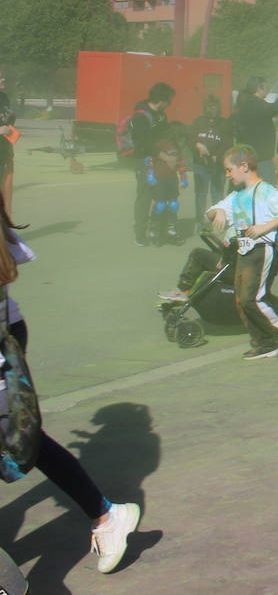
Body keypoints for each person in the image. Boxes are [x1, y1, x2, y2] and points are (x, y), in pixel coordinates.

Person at [1, 194, 142, 573]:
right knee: (21, 438)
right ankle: (105, 515)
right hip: (7, 333)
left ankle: (106, 515)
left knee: (21, 437)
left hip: (3, 341)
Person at [206, 145, 278, 359]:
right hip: (243, 251)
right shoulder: (237, 195)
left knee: (254, 298)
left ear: (243, 167)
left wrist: (263, 228)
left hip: (261, 249)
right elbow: (212, 211)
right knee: (241, 300)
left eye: (228, 169)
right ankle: (264, 342)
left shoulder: (265, 190)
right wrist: (219, 211)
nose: (227, 174)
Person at [127, 82, 174, 246]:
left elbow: (165, 135)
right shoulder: (140, 115)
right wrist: (163, 155)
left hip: (160, 161)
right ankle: (140, 233)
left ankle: (158, 230)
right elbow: (143, 142)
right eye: (169, 101)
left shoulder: (161, 115)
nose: (169, 104)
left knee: (162, 195)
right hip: (144, 162)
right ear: (162, 99)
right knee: (145, 196)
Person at [233, 76, 278, 181]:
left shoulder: (242, 104)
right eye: (266, 88)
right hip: (261, 159)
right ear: (259, 88)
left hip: (245, 156)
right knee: (265, 192)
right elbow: (275, 108)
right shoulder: (255, 104)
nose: (268, 90)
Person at [190, 94, 232, 218]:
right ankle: (199, 220)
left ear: (218, 108)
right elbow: (189, 139)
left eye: (214, 107)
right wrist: (197, 145)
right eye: (209, 107)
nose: (212, 109)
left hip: (217, 165)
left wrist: (218, 156)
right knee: (200, 194)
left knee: (217, 195)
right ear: (205, 108)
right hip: (200, 164)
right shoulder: (198, 121)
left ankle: (217, 220)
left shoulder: (224, 123)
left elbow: (228, 143)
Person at [147, 136, 188, 245]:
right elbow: (150, 158)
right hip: (159, 179)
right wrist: (150, 174)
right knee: (160, 205)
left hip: (172, 180)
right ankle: (154, 230)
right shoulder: (160, 142)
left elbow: (181, 163)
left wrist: (184, 178)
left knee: (174, 205)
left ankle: (171, 231)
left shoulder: (177, 146)